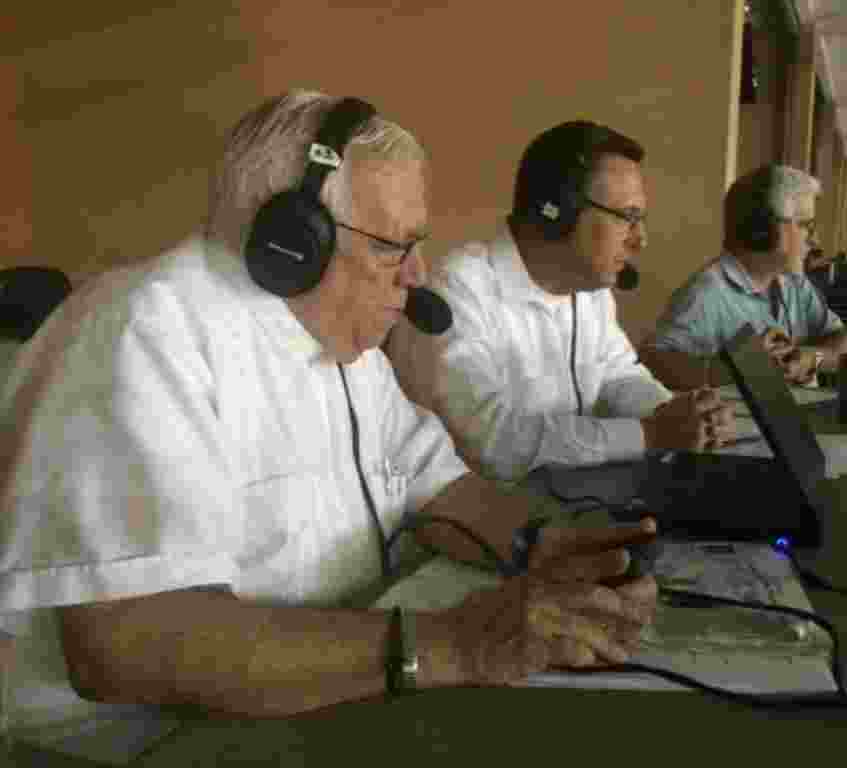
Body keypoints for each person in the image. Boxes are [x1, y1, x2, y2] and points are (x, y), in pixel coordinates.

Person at [0, 92, 657, 762]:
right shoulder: (143, 331)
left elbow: (435, 485)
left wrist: (548, 543)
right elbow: (127, 645)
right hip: (143, 744)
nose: (416, 274)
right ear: (292, 240)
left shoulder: (337, 333)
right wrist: (457, 643)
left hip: (311, 702)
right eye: (391, 246)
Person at [387, 121, 735, 482]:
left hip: (575, 498)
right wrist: (649, 435)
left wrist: (677, 414)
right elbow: (489, 439)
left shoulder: (590, 290)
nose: (640, 240)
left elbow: (618, 375)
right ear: (556, 212)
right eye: (627, 218)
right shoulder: (459, 289)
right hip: (488, 509)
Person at [641, 164, 847, 391]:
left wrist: (811, 357)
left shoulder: (794, 283)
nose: (815, 240)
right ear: (763, 229)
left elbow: (845, 344)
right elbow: (653, 365)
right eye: (806, 225)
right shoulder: (707, 293)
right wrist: (741, 367)